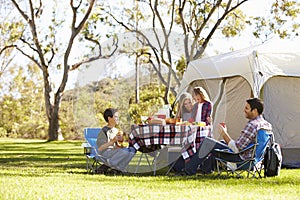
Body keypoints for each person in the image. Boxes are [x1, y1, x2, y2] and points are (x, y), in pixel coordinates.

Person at [174, 97, 272, 176]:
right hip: (253, 159)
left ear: (254, 111)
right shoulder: (266, 125)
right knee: (217, 143)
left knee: (208, 142)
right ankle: (205, 169)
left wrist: (224, 133)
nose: (244, 110)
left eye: (247, 108)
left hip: (240, 159)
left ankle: (189, 171)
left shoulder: (252, 125)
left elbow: (236, 148)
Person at [96, 108, 136, 174]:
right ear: (109, 118)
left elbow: (117, 145)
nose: (118, 119)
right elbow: (100, 148)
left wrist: (120, 143)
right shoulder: (104, 131)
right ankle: (106, 165)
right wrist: (113, 141)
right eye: (116, 117)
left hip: (115, 152)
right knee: (125, 151)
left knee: (132, 150)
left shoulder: (116, 130)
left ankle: (117, 169)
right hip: (105, 153)